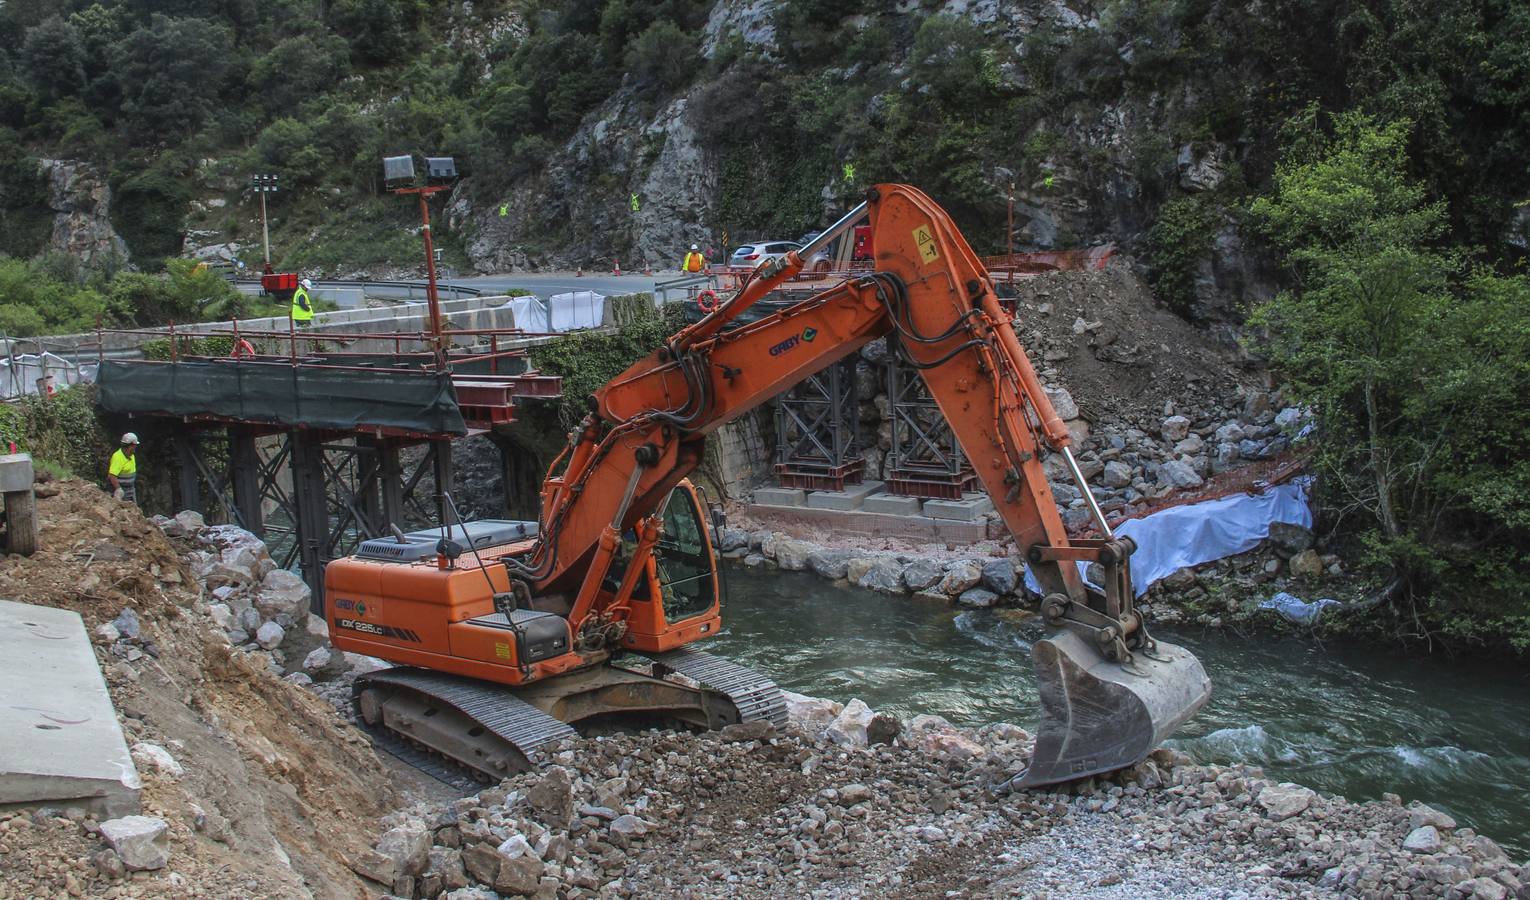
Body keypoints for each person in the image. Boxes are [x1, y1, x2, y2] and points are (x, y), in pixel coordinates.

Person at [108, 433, 139, 504]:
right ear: (130, 446)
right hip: (122, 491)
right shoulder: (118, 457)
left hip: (130, 490)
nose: (135, 447)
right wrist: (118, 489)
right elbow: (112, 475)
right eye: (135, 446)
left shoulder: (131, 455)